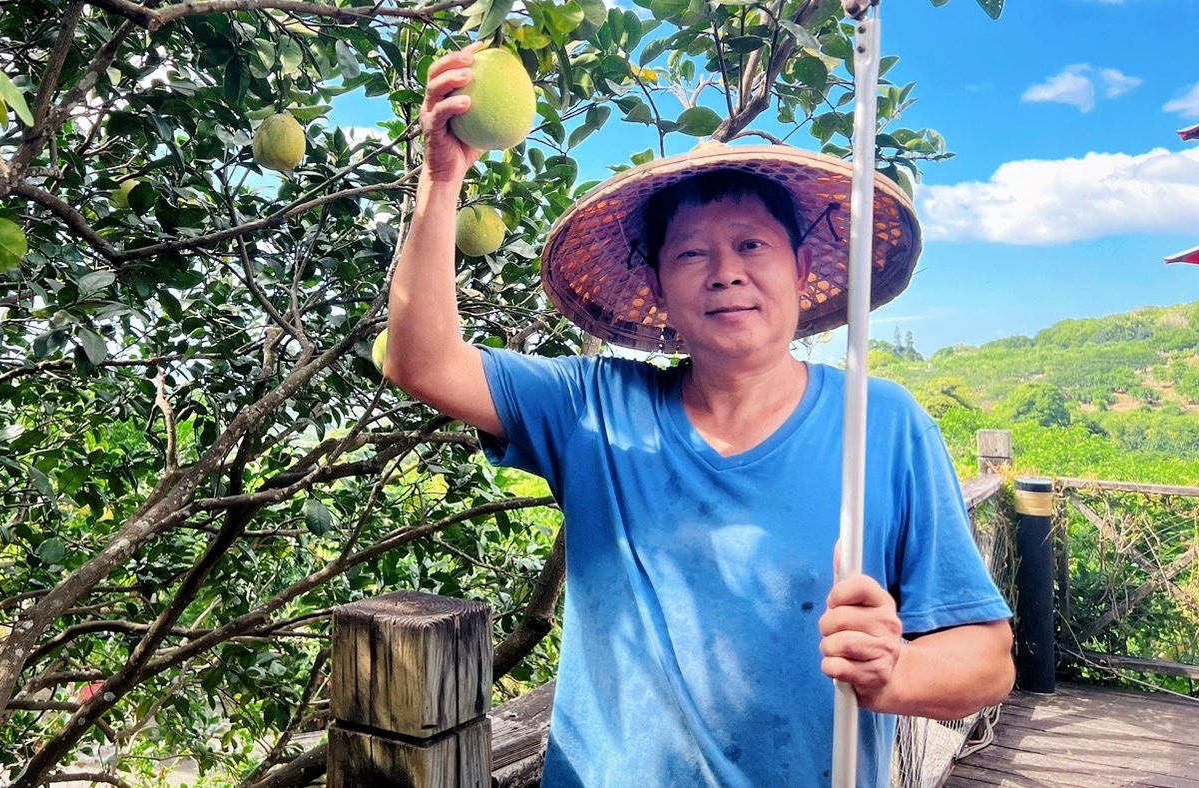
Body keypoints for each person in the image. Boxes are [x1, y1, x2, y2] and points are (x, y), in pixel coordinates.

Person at [385, 45, 1015, 788]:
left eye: (751, 244)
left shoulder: (880, 424)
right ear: (658, 284)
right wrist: (441, 178)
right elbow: (421, 362)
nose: (725, 272)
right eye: (689, 254)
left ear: (801, 270)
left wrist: (896, 672)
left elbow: (985, 659)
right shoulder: (595, 409)